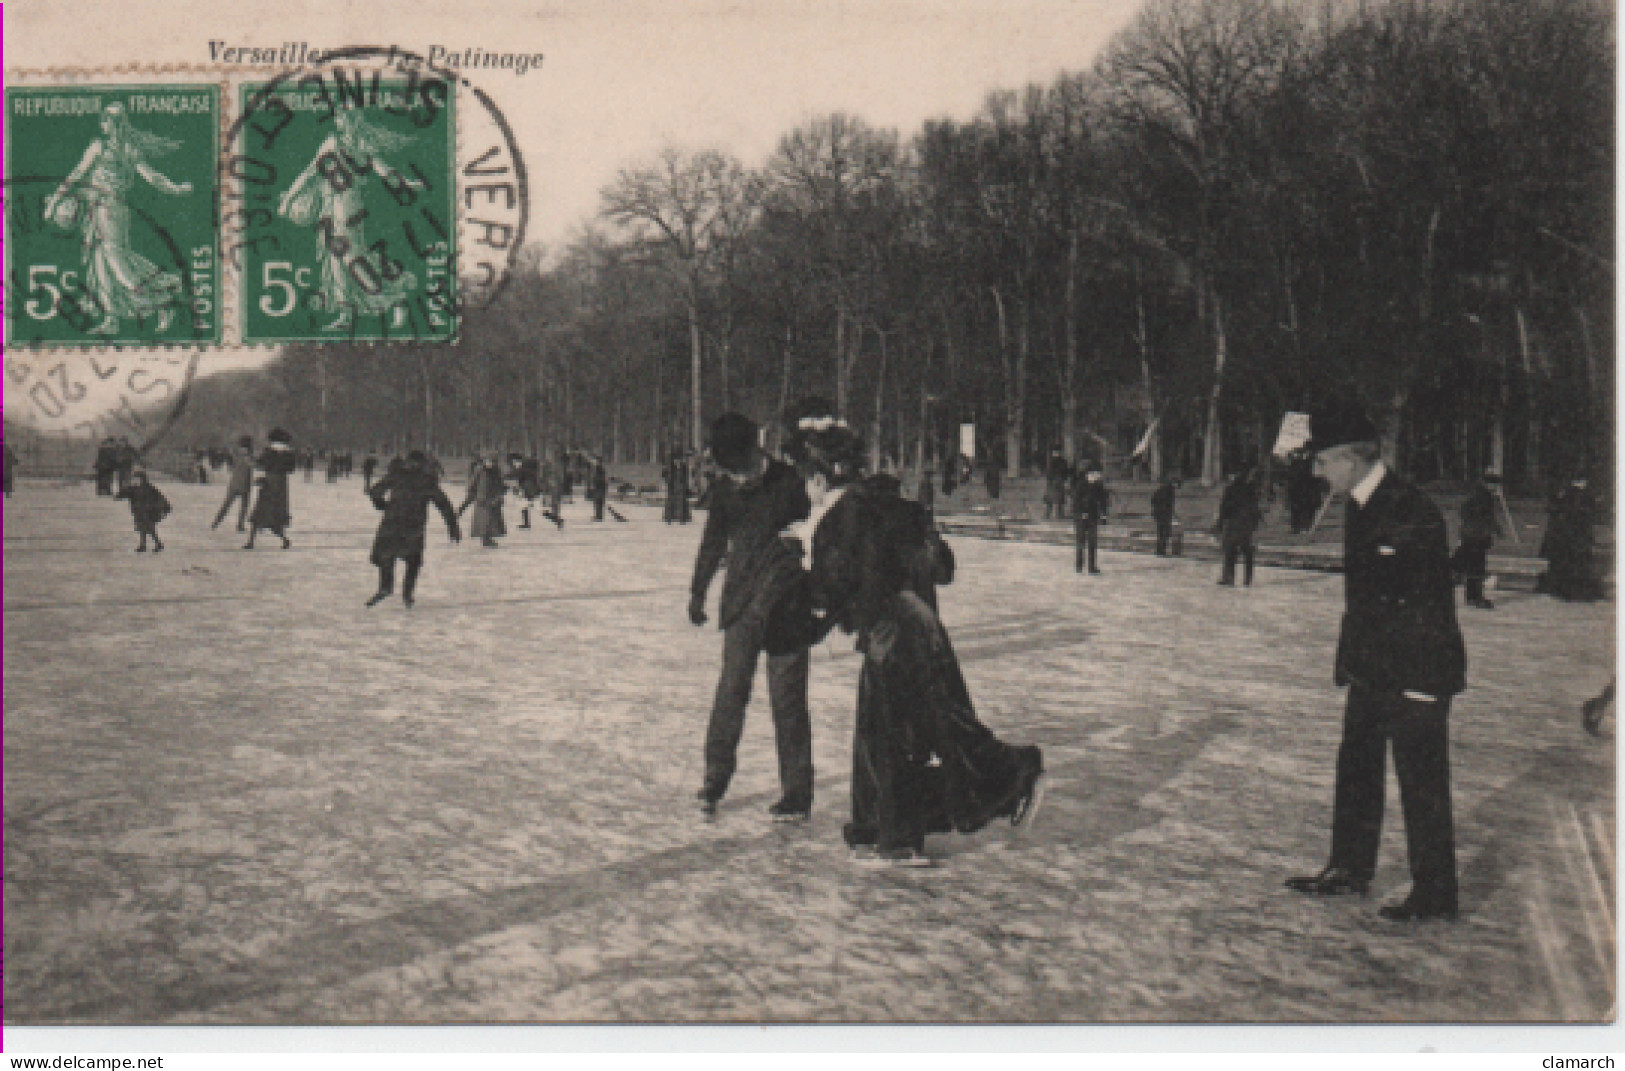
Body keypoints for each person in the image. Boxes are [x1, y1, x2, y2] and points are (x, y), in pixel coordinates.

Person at [783, 410, 1044, 867]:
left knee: (894, 740)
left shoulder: (835, 523)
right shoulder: (894, 508)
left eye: (804, 481)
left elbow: (832, 593)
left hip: (894, 638)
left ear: (820, 481)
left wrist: (800, 565)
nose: (804, 492)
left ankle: (1004, 781)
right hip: (918, 630)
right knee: (904, 732)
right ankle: (872, 828)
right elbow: (943, 569)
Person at [1286, 398, 1465, 922]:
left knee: (1422, 783)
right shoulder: (1362, 503)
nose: (1318, 473)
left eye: (1321, 462)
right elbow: (1365, 600)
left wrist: (1424, 682)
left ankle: (1436, 890)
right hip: (1373, 669)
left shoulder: (1408, 506)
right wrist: (1352, 663)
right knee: (1357, 767)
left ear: (1348, 458)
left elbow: (1427, 603)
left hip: (1416, 672)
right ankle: (1349, 867)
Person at [688, 412, 816, 821]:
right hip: (742, 607)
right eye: (729, 472)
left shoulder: (791, 484)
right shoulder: (726, 491)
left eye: (740, 469)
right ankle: (714, 778)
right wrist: (698, 591)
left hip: (788, 611)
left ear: (754, 452)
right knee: (730, 693)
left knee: (788, 703)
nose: (737, 479)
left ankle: (796, 793)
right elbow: (712, 543)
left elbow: (816, 535)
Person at [42, 102, 194, 336]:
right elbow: (153, 177)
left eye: (108, 121)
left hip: (107, 209)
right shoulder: (128, 148)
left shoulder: (101, 147)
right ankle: (111, 319)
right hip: (105, 209)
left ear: (112, 124)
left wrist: (54, 201)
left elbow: (76, 175)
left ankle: (163, 298)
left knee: (117, 263)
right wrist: (176, 188)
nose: (105, 125)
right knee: (101, 264)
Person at [277, 108, 421, 332]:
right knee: (338, 262)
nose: (340, 123)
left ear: (355, 121)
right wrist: (289, 199)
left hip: (347, 212)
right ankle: (346, 315)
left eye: (344, 119)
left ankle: (394, 301)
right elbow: (309, 173)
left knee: (353, 261)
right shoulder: (332, 144)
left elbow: (383, 170)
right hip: (333, 212)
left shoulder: (362, 148)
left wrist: (405, 183)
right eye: (339, 120)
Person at [365, 450, 461, 609]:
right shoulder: (426, 481)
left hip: (392, 522)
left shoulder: (396, 475)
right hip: (413, 525)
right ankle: (407, 594)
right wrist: (453, 527)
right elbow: (443, 504)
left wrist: (382, 505)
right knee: (413, 561)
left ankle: (385, 587)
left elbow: (375, 491)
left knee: (387, 555)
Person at [1537, 477, 1604, 602]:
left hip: (1567, 536)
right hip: (1574, 536)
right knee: (1575, 563)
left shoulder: (1568, 495)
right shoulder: (1578, 496)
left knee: (1566, 563)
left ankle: (1562, 589)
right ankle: (1571, 591)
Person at [1454, 474, 1502, 610]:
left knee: (1472, 565)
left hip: (1473, 535)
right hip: (1476, 536)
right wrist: (1489, 527)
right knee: (1476, 566)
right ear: (1488, 484)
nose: (1496, 488)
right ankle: (1475, 596)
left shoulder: (1481, 495)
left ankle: (1472, 595)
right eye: (1494, 485)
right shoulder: (1483, 497)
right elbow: (1479, 515)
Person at [244, 427, 297, 550]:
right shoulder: (289, 453)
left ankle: (251, 541)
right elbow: (291, 469)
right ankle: (284, 539)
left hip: (269, 482)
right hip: (282, 484)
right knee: (277, 514)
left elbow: (260, 464)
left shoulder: (270, 451)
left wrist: (250, 459)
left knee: (260, 512)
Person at [1215, 468, 1262, 586]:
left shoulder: (1230, 489)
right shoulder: (1250, 490)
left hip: (1233, 524)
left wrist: (1219, 524)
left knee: (1230, 550)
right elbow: (1255, 508)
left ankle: (1228, 577)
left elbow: (1224, 508)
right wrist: (1254, 524)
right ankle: (1247, 579)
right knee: (1247, 551)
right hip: (1247, 524)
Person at [115, 469, 171, 552]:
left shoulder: (149, 488)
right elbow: (122, 494)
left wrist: (166, 507)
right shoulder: (132, 489)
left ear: (143, 479)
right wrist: (122, 489)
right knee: (142, 529)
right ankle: (143, 545)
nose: (136, 481)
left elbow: (160, 497)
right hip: (138, 512)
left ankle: (158, 543)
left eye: (137, 479)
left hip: (148, 512)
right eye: (134, 479)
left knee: (149, 528)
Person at [460, 453, 508, 548]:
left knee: (493, 520)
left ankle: (489, 538)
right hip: (482, 498)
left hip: (493, 498)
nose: (490, 464)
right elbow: (473, 483)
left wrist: (500, 494)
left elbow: (501, 484)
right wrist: (471, 491)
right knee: (484, 520)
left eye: (492, 461)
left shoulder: (497, 471)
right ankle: (485, 539)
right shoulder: (479, 470)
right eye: (488, 461)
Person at [1070, 463, 1109, 575]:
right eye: (1097, 474)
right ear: (1090, 474)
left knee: (1092, 542)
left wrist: (1103, 514)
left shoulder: (1098, 486)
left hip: (1092, 517)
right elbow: (1076, 502)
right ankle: (1079, 566)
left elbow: (1103, 501)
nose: (1099, 476)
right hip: (1081, 518)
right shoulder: (1080, 485)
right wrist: (1080, 513)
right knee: (1081, 542)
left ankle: (1092, 567)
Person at [211, 436, 256, 532]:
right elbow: (253, 465)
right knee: (239, 506)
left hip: (238, 483)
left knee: (231, 505)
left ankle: (218, 522)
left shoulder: (237, 456)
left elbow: (231, 466)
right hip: (241, 484)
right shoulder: (247, 457)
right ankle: (237, 525)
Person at [1151, 474, 1177, 556]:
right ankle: (1162, 550)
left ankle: (1159, 550)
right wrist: (1171, 512)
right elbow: (1169, 504)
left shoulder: (1159, 490)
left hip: (1158, 513)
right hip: (1165, 514)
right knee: (1165, 532)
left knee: (1160, 531)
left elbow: (1153, 500)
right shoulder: (1170, 491)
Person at [664, 449, 692, 524]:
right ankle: (669, 518)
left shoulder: (683, 467)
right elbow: (665, 474)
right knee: (671, 501)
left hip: (681, 486)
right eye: (676, 460)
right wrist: (668, 481)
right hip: (673, 486)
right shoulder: (670, 467)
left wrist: (686, 485)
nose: (677, 461)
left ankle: (682, 518)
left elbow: (686, 477)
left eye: (679, 460)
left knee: (681, 502)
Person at [1043, 451, 1071, 520]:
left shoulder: (1056, 462)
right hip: (1057, 482)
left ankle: (1054, 514)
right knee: (1056, 499)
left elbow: (1050, 473)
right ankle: (1056, 514)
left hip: (1056, 482)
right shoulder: (1061, 462)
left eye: (1056, 452)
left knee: (1055, 499)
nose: (1055, 454)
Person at [588, 457, 609, 521]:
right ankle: (598, 515)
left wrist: (594, 485)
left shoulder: (599, 468)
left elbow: (599, 478)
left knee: (598, 502)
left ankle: (598, 516)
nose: (593, 462)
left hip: (599, 486)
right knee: (599, 502)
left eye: (595, 461)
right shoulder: (599, 468)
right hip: (600, 486)